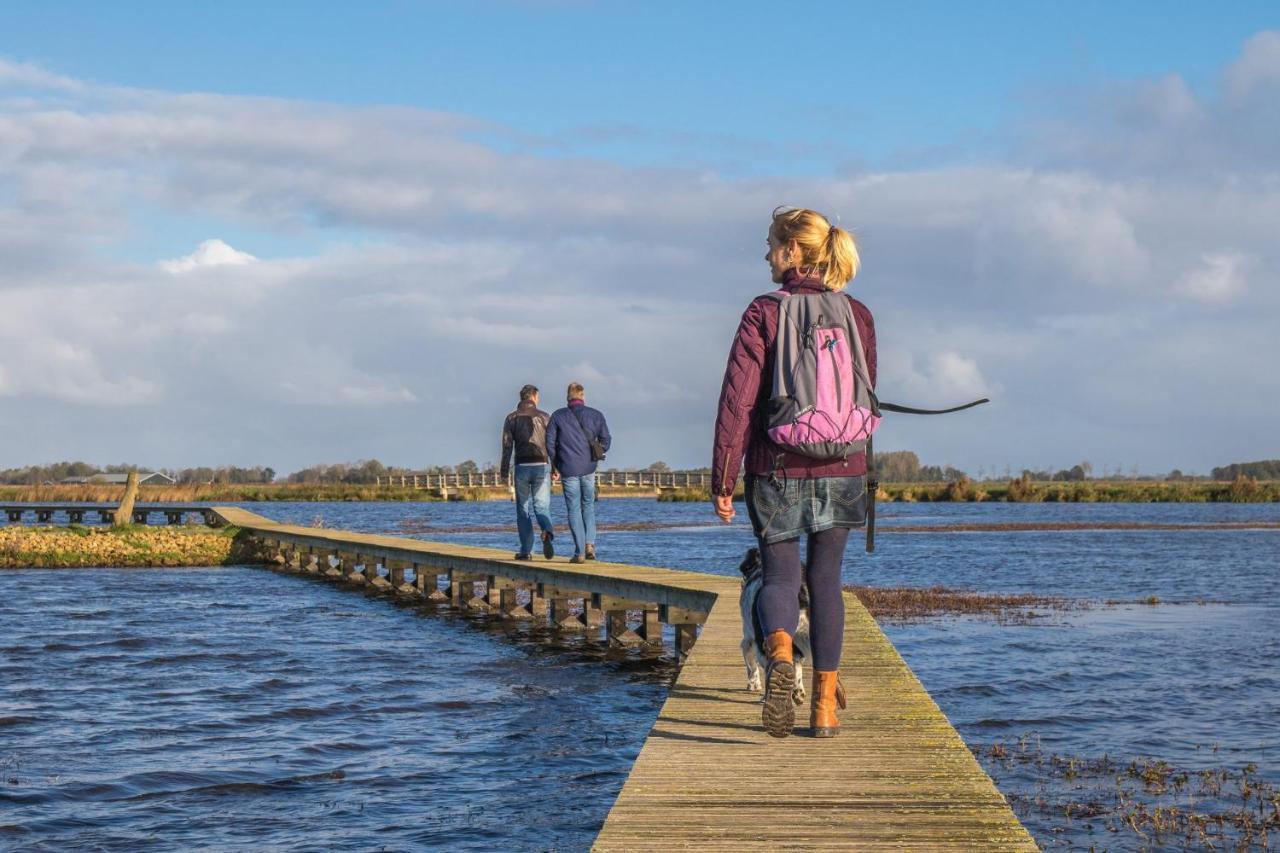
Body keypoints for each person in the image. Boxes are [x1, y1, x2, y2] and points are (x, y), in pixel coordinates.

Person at [711, 206, 875, 739]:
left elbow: (737, 403)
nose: (765, 254)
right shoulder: (858, 314)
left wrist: (722, 479)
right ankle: (824, 710)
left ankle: (780, 655)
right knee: (826, 582)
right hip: (845, 465)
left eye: (770, 244)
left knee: (780, 576)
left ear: (792, 251)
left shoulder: (764, 311)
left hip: (776, 466)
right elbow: (862, 393)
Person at [546, 382, 612, 563]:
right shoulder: (596, 415)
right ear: (583, 396)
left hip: (568, 468)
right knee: (588, 505)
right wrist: (597, 452)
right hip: (589, 467)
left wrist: (556, 463)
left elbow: (549, 443)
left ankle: (579, 552)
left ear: (568, 397)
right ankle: (590, 544)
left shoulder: (558, 416)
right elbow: (606, 440)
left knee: (573, 509)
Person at [499, 384, 556, 560]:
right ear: (534, 397)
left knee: (523, 510)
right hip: (541, 465)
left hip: (521, 467)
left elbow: (507, 446)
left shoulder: (511, 418)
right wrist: (556, 468)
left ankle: (526, 551)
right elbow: (553, 445)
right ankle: (546, 531)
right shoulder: (545, 417)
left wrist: (503, 471)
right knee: (542, 506)